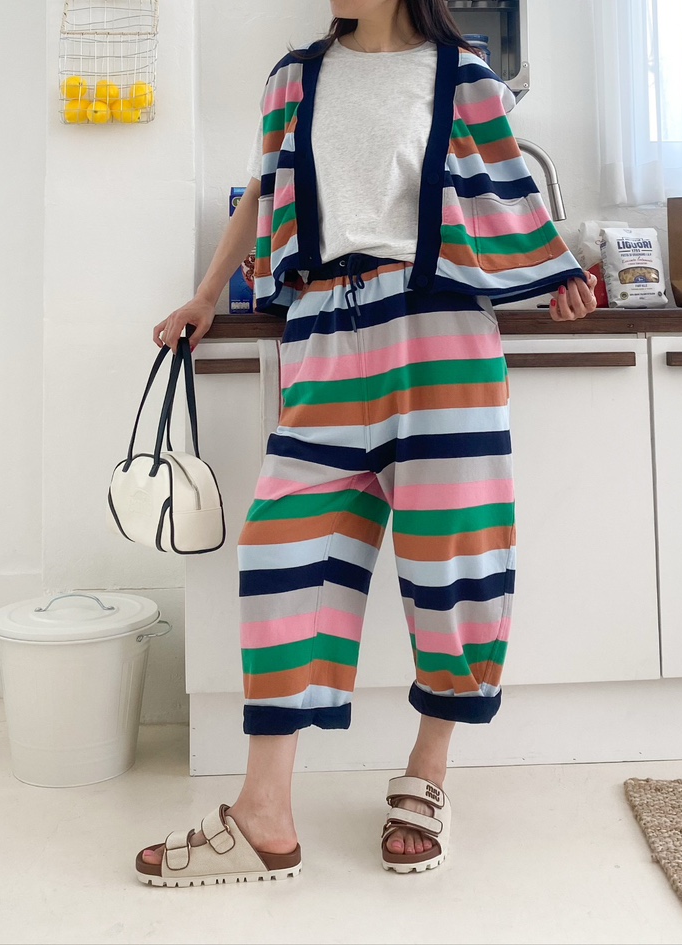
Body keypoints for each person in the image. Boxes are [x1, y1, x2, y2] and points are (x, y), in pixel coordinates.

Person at [137, 0, 597, 886]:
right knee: (280, 554)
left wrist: (557, 269)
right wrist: (206, 292)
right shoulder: (294, 78)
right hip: (320, 330)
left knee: (452, 558)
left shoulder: (463, 75)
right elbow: (264, 192)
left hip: (438, 333)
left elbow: (507, 190)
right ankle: (264, 814)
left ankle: (428, 769)